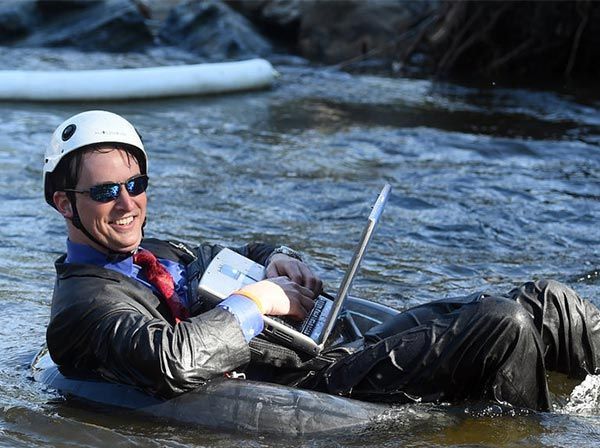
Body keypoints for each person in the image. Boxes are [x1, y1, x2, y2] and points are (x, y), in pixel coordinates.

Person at [44, 110, 600, 413]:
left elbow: (232, 254)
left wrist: (278, 260)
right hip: (312, 386)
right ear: (63, 203)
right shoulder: (82, 306)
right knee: (500, 323)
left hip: (326, 345)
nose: (127, 203)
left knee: (546, 299)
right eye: (106, 191)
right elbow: (170, 360)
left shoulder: (157, 253)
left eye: (135, 183)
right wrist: (259, 300)